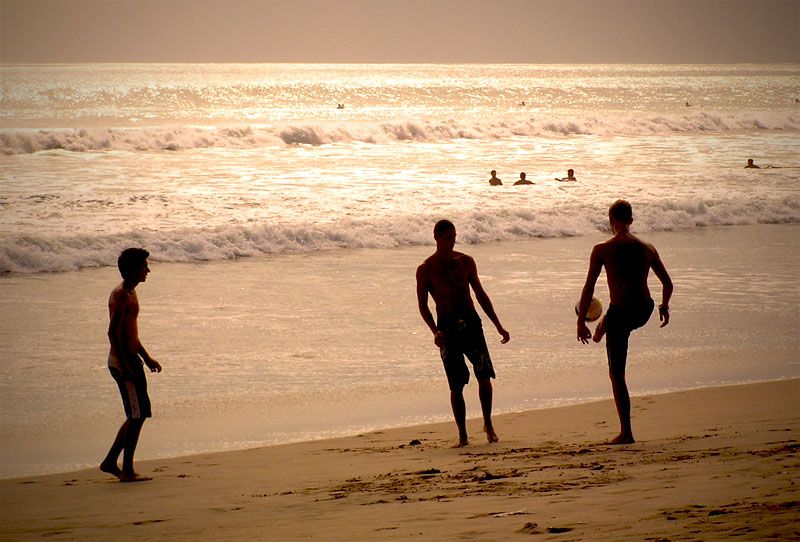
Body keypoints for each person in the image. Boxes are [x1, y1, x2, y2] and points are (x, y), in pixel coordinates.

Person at [576, 200, 673, 445]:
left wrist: (580, 322)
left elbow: (588, 288)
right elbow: (668, 284)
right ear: (631, 220)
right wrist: (664, 306)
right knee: (615, 314)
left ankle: (626, 432)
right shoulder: (648, 248)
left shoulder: (602, 249)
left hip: (621, 313)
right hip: (645, 309)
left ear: (611, 222)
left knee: (616, 374)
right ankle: (602, 328)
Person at [416, 220, 510, 447]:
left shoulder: (465, 262)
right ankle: (463, 435)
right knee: (456, 385)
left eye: (454, 236)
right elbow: (423, 306)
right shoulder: (426, 269)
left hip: (471, 323)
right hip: (447, 328)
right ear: (436, 237)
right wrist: (434, 332)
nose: (452, 241)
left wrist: (498, 325)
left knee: (484, 375)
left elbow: (480, 295)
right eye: (448, 237)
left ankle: (488, 423)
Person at [101, 247, 162, 482]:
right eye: (145, 266)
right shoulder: (121, 295)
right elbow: (113, 333)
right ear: (135, 269)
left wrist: (146, 358)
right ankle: (126, 469)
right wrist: (124, 364)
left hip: (132, 359)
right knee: (136, 415)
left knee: (139, 414)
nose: (148, 270)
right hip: (123, 362)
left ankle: (110, 462)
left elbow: (130, 334)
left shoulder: (132, 293)